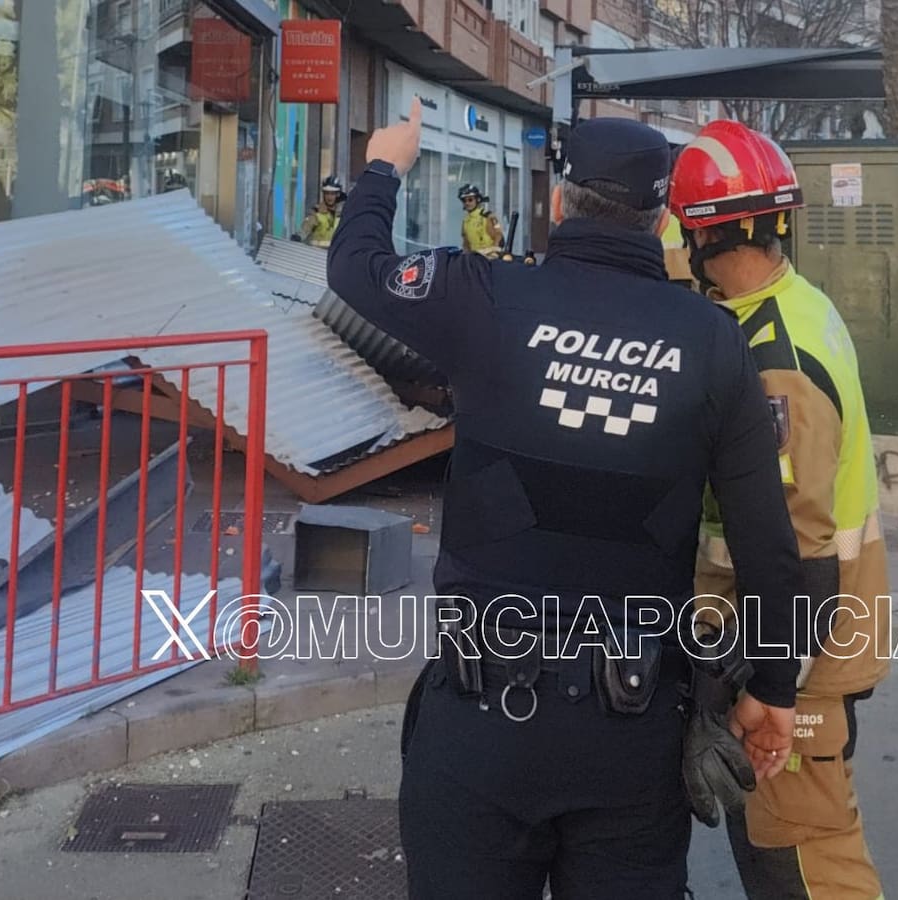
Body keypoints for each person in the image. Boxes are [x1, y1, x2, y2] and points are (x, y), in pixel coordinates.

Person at [326, 99, 806, 899]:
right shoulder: (714, 342)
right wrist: (774, 691)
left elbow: (354, 269)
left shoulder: (482, 295)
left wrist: (385, 166)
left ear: (558, 202)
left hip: (480, 726)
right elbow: (769, 547)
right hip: (631, 735)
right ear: (661, 221)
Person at [670, 119, 890, 900]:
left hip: (800, 650)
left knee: (803, 862)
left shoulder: (772, 368)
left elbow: (800, 553)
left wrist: (771, 686)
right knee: (771, 845)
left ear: (703, 238)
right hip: (797, 644)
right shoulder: (788, 306)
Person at [456, 182, 504, 258]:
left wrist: (494, 253)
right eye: (464, 200)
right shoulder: (465, 221)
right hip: (473, 259)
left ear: (477, 199)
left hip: (489, 258)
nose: (467, 203)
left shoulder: (488, 216)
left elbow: (499, 236)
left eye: (470, 199)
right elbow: (466, 243)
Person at [297, 175, 346, 247]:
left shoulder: (343, 214)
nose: (329, 197)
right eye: (327, 193)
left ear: (338, 194)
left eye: (332, 194)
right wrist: (299, 236)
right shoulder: (316, 212)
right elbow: (306, 227)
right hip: (316, 254)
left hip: (335, 255)